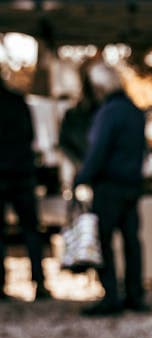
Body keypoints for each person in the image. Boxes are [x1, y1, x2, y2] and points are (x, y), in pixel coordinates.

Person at [74, 63, 149, 317]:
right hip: (132, 185)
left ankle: (111, 297)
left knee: (104, 242)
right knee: (132, 242)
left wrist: (82, 177)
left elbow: (98, 152)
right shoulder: (135, 112)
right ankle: (134, 294)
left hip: (109, 186)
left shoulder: (109, 113)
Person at [0, 75, 50, 301]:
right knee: (31, 230)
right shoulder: (18, 102)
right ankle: (40, 282)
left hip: (7, 174)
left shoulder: (17, 101)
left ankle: (1, 285)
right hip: (22, 173)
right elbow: (30, 135)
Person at [59, 66, 99, 169]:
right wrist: (79, 163)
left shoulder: (103, 113)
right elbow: (64, 142)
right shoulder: (72, 115)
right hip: (83, 168)